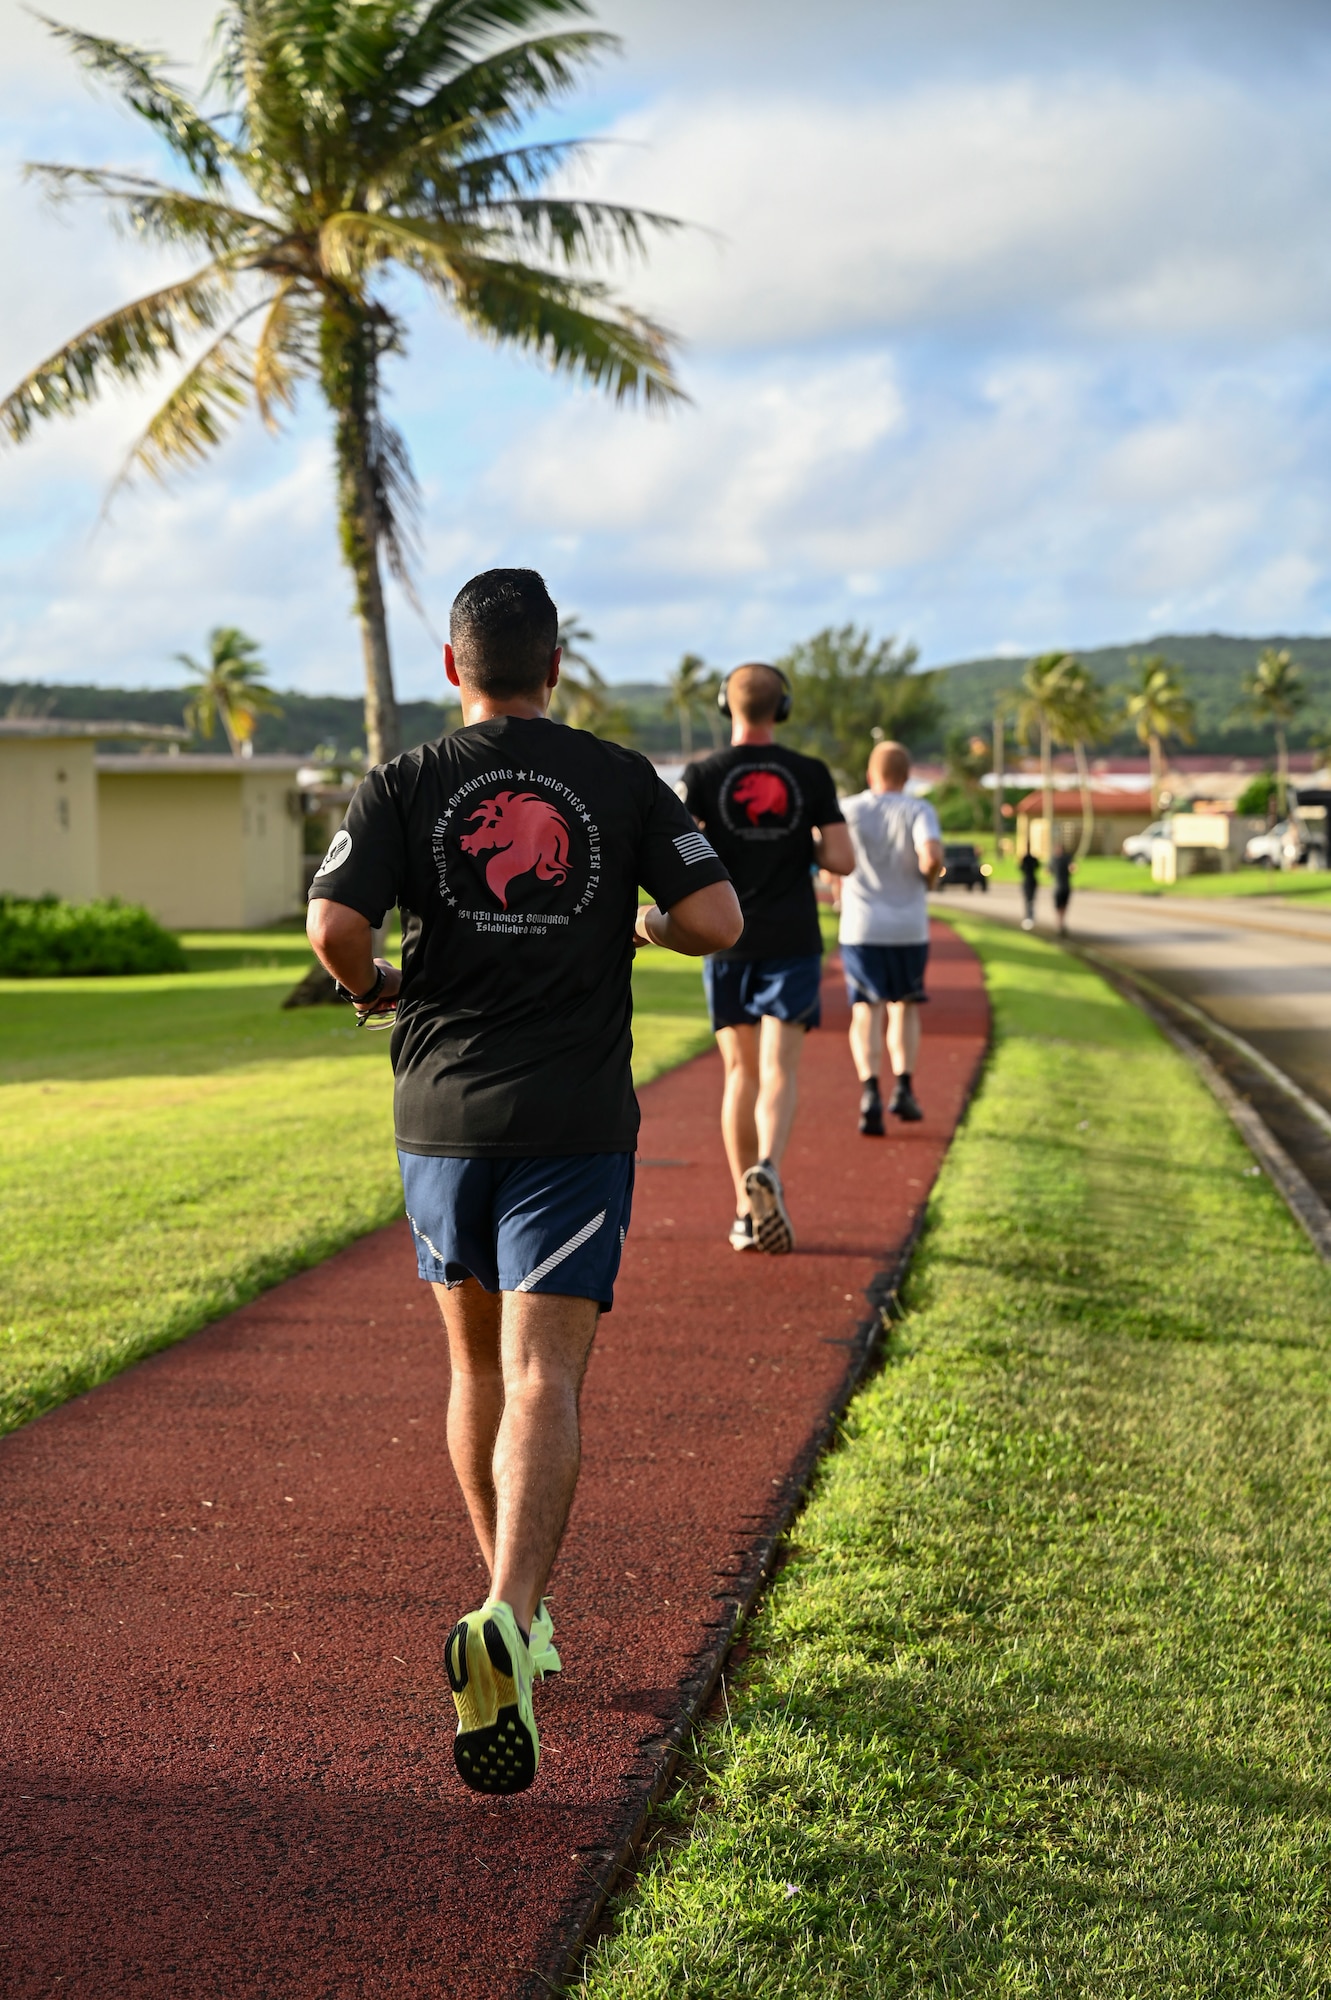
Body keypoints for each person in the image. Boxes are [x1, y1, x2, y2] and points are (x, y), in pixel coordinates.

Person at [306, 569, 741, 1797]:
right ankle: (512, 1607)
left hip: (438, 1116)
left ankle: (511, 1615)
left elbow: (333, 927)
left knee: (474, 1367)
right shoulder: (615, 777)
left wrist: (378, 986)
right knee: (548, 1371)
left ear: (454, 668)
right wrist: (645, 930)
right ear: (556, 665)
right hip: (571, 1118)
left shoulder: (404, 780)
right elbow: (712, 914)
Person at [680, 663, 854, 1253]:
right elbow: (842, 858)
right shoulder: (809, 774)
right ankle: (770, 1169)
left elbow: (680, 855)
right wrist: (798, 838)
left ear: (726, 707)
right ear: (783, 707)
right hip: (793, 939)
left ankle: (741, 1211)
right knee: (781, 1070)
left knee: (739, 1074)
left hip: (727, 939)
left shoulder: (703, 774)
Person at [837, 741, 944, 1135]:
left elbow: (828, 852)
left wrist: (836, 886)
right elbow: (930, 856)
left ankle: (869, 1092)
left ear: (871, 774)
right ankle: (904, 1087)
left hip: (862, 927)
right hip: (908, 927)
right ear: (907, 775)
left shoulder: (850, 809)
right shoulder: (919, 809)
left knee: (867, 1010)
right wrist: (928, 880)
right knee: (905, 1007)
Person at [1051, 841, 1074, 936]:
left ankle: (1061, 924)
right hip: (1057, 887)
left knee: (1064, 906)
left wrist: (1072, 868)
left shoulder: (1067, 858)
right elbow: (1048, 870)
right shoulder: (1053, 860)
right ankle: (1059, 925)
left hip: (1065, 886)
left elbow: (1072, 868)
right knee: (1058, 907)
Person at [1019, 845, 1040, 929]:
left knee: (1028, 899)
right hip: (1031, 880)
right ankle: (1030, 915)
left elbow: (1021, 868)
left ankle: (1028, 915)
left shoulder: (1024, 859)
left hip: (1028, 881)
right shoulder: (1033, 859)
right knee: (1030, 899)